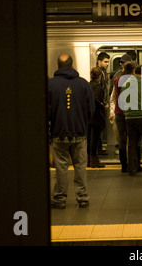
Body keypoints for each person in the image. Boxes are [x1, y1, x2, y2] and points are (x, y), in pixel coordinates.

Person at [48, 54, 94, 209]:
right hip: (80, 133)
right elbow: (91, 109)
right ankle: (83, 198)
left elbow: (46, 111)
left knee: (61, 168)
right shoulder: (83, 84)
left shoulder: (50, 84)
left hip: (58, 133)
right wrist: (81, 121)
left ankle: (60, 199)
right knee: (80, 167)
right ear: (72, 65)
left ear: (58, 65)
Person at [110, 60, 142, 173]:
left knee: (122, 140)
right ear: (133, 70)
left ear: (123, 69)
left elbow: (114, 97)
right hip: (133, 113)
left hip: (120, 113)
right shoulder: (136, 81)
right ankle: (136, 164)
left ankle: (124, 165)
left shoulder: (116, 81)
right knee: (135, 140)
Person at [87, 67, 106, 168]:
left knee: (89, 138)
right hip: (95, 116)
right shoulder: (97, 87)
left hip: (88, 116)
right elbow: (95, 99)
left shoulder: (88, 85)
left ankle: (89, 160)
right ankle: (94, 161)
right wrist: (102, 105)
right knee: (94, 139)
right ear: (99, 76)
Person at [97, 52, 110, 155]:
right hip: (100, 104)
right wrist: (104, 102)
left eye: (108, 62)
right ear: (99, 62)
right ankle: (99, 148)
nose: (107, 64)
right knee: (100, 126)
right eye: (105, 62)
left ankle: (100, 146)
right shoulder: (99, 73)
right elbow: (102, 89)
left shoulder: (104, 72)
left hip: (102, 103)